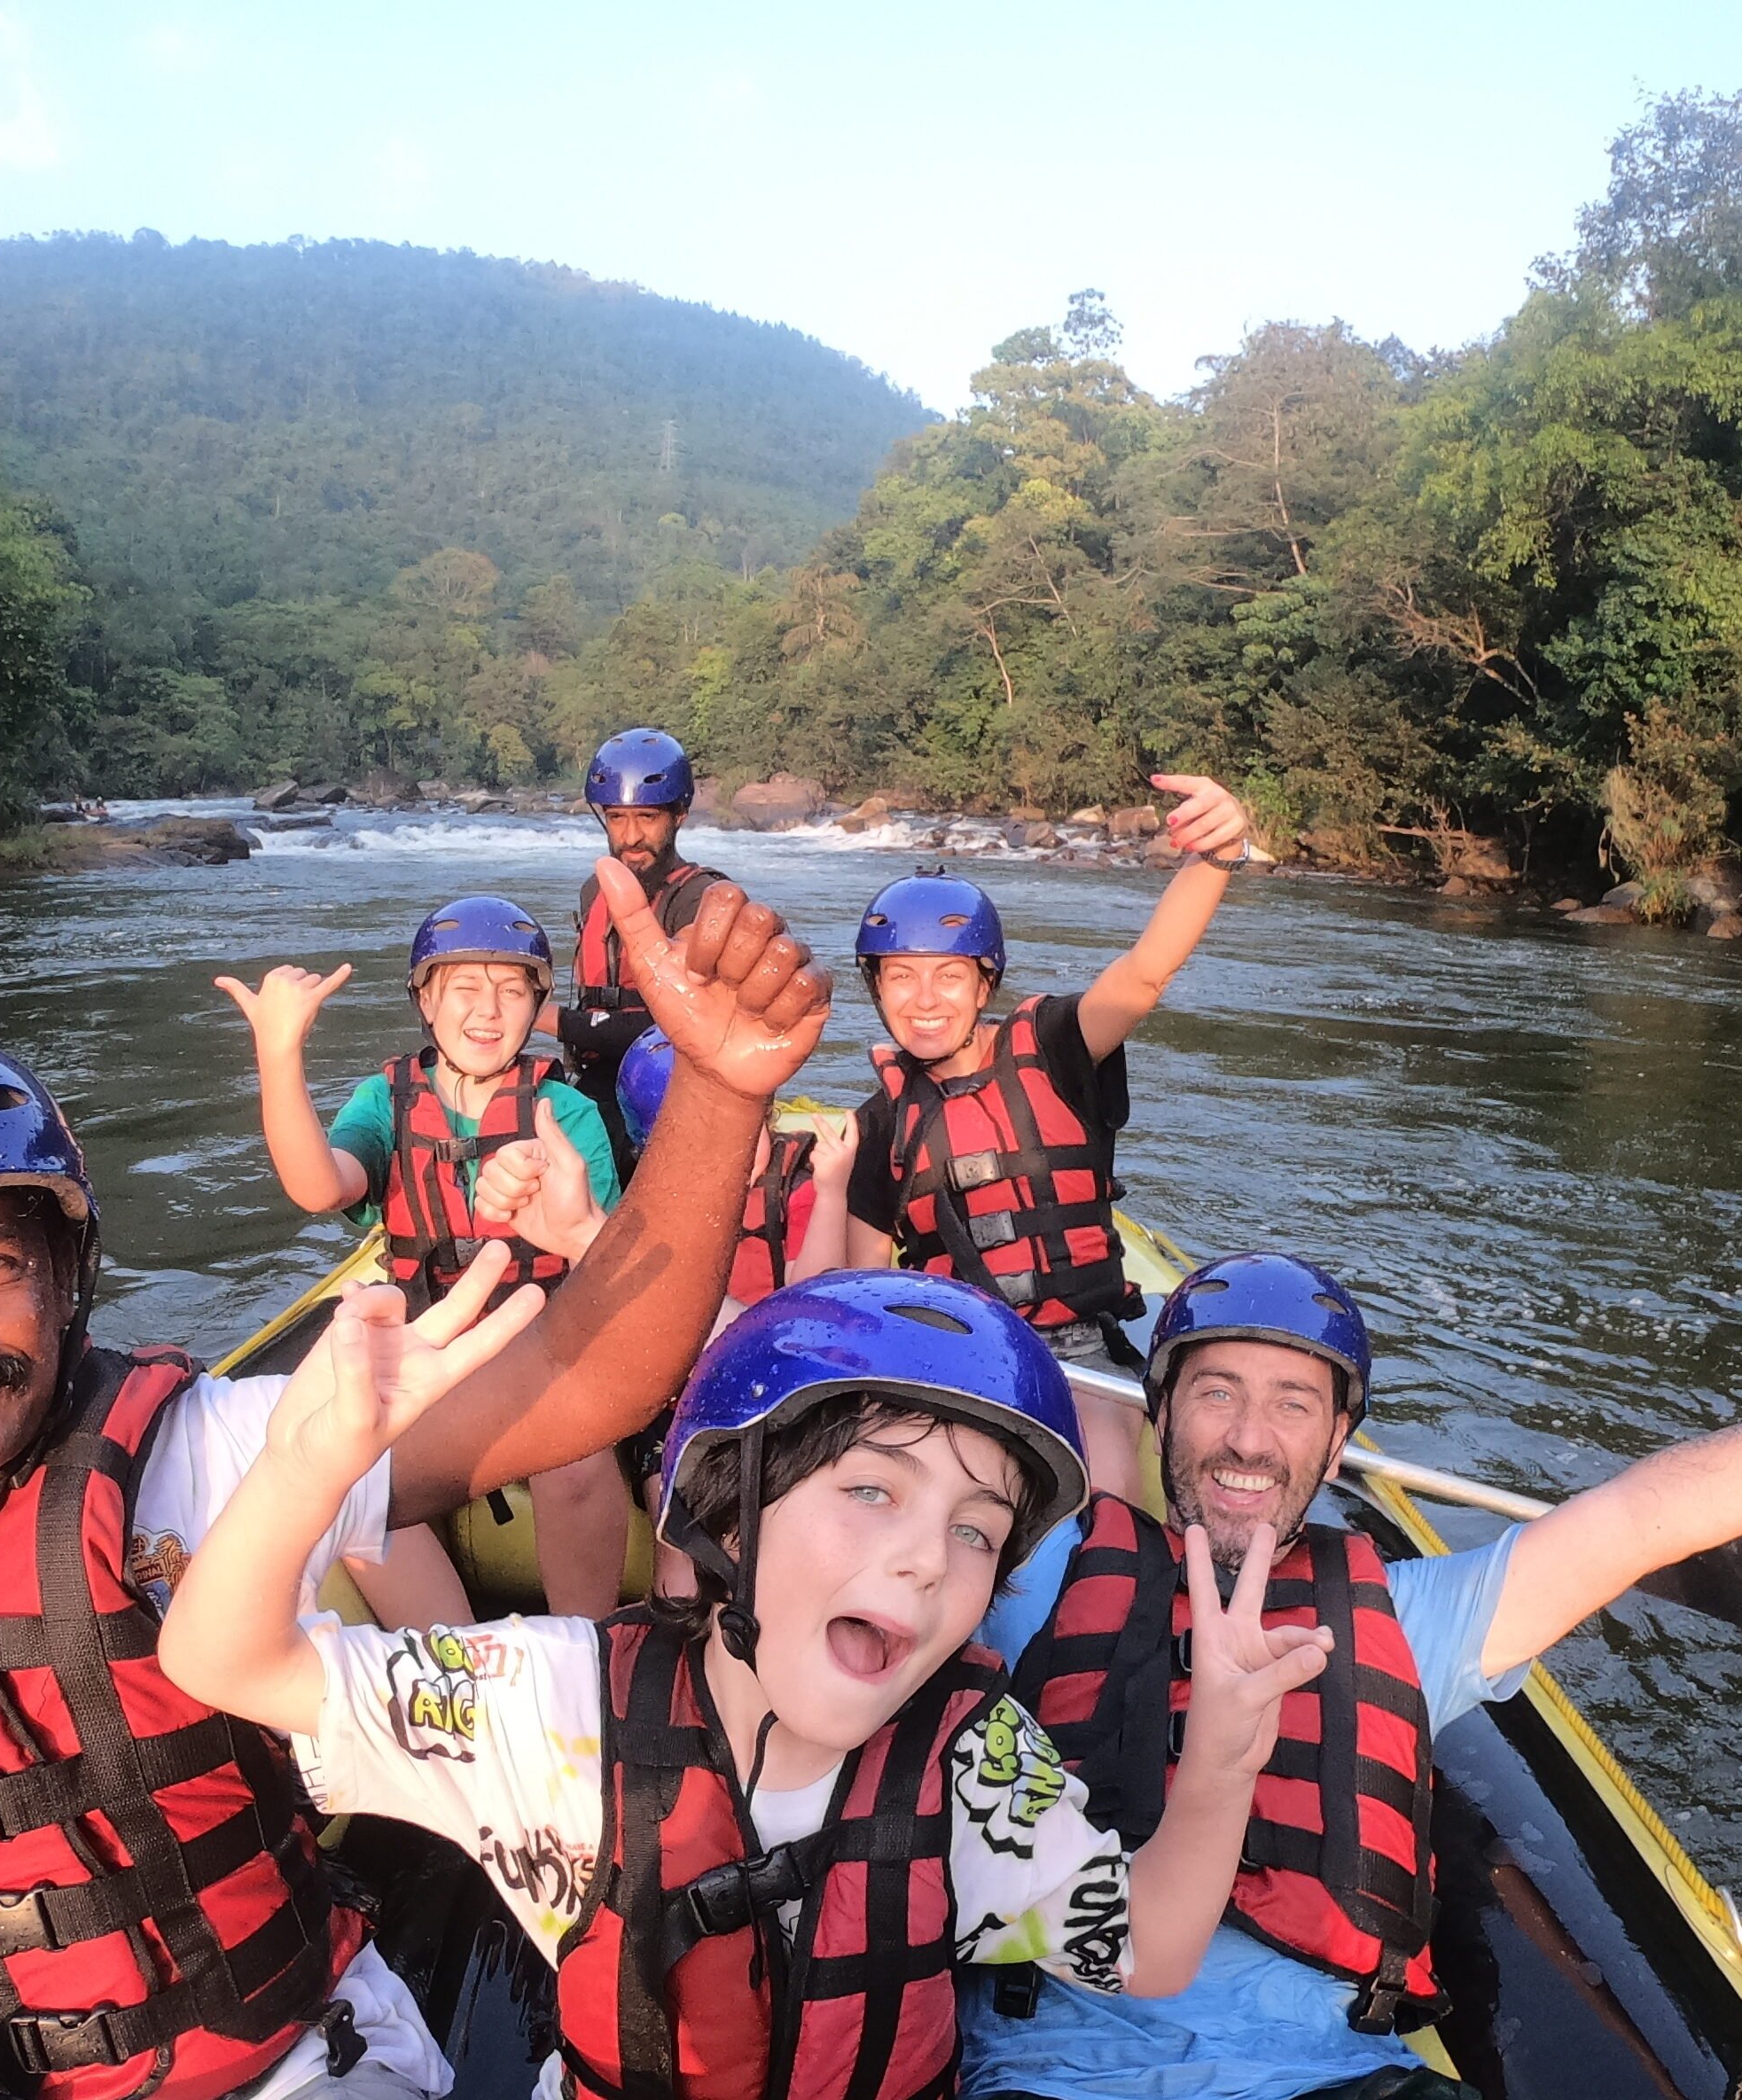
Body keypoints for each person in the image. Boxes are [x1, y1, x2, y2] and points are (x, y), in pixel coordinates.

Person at [0, 862, 833, 2100]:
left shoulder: (202, 1454)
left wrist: (718, 1087)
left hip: (293, 2066)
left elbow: (594, 1383)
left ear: (64, 1281)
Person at [155, 1270, 1339, 2100]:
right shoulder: (552, 1707)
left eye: (978, 1532)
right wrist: (310, 1472)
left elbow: (1148, 1950)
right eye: (871, 1491)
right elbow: (224, 1661)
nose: (929, 1557)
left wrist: (1223, 1760)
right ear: (727, 1511)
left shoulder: (977, 1764)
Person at [957, 1248, 1742, 2100]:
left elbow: (1641, 1515)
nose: (1250, 1436)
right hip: (1056, 2070)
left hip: (1340, 2078)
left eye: (1293, 1403)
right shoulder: (1031, 1570)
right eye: (1216, 1393)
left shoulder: (1408, 1619)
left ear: (1336, 1448)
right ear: (1162, 1415)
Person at [843, 773, 1259, 1498]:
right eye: (900, 977)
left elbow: (1145, 975)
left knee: (1101, 1483)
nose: (924, 1000)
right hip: (955, 1352)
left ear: (984, 985)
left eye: (947, 976)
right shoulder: (878, 1123)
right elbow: (865, 1285)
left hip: (1076, 1350)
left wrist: (1216, 854)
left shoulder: (1057, 1048)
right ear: (876, 990)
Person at [220, 892, 633, 1616]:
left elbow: (598, 1254)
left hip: (538, 1333)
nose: (488, 1011)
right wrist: (279, 1054)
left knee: (572, 1468)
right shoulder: (385, 1103)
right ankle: (453, 1654)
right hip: (424, 1333)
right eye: (464, 989)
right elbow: (321, 1186)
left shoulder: (565, 1111)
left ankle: (587, 1649)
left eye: (511, 991)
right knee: (342, 1471)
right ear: (427, 1004)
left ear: (536, 1005)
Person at [548, 727, 731, 1159]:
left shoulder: (700, 900)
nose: (630, 838)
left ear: (679, 814)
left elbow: (678, 1027)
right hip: (599, 1082)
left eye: (647, 818)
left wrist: (544, 1019)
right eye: (617, 817)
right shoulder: (595, 890)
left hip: (667, 1095)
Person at [616, 1021, 858, 1308]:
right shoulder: (654, 1204)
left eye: (742, 1136)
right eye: (705, 1147)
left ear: (766, 1114)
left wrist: (831, 1194)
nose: (729, 1159)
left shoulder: (795, 1190)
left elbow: (815, 1300)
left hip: (775, 1339)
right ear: (657, 1157)